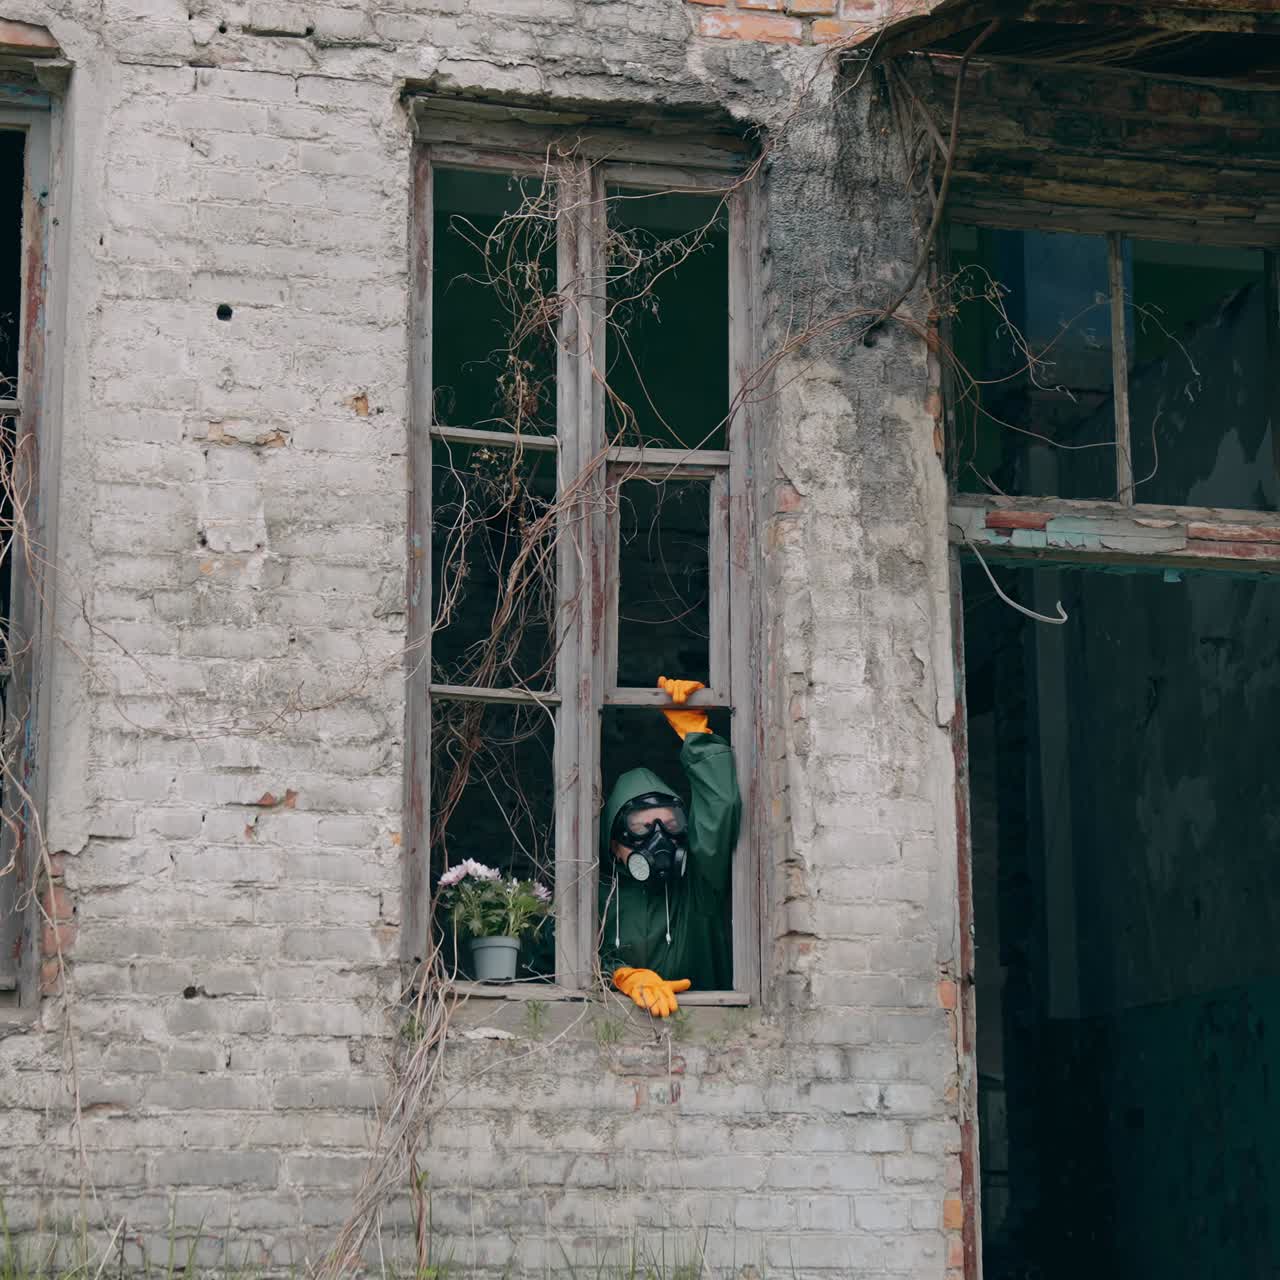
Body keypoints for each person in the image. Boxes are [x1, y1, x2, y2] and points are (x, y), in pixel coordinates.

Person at [600, 676, 741, 1018]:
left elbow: (720, 811)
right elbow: (563, 959)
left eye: (670, 824)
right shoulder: (596, 899)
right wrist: (619, 975)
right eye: (642, 827)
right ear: (615, 841)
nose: (659, 838)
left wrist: (696, 738)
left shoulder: (697, 890)